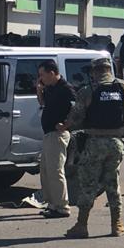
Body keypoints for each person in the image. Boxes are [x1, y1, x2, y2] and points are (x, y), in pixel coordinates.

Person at [57, 56, 124, 238]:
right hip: (116, 144)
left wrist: (64, 126)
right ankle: (117, 225)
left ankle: (82, 225)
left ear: (94, 72)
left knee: (87, 184)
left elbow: (76, 115)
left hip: (94, 143)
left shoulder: (88, 91)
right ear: (109, 70)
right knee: (112, 183)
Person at [36, 60, 77, 219]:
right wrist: (39, 91)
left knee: (55, 170)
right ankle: (52, 204)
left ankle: (62, 206)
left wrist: (66, 124)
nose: (41, 78)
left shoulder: (66, 89)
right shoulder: (50, 88)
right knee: (46, 170)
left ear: (52, 73)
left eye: (42, 75)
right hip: (48, 133)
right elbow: (43, 103)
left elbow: (76, 109)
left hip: (58, 134)